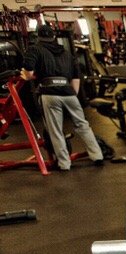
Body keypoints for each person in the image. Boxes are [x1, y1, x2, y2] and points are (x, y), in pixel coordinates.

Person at [21, 25, 105, 171]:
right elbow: (76, 77)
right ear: (54, 36)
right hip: (69, 92)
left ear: (38, 36)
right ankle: (97, 156)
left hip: (49, 93)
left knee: (56, 130)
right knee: (83, 125)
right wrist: (71, 94)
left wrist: (28, 76)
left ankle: (64, 164)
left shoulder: (35, 49)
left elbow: (28, 70)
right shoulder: (66, 53)